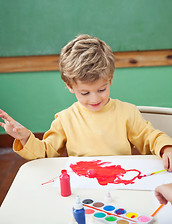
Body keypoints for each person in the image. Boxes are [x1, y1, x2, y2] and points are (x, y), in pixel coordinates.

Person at [0, 34, 172, 171]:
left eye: (101, 90)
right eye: (85, 93)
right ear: (70, 86)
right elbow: (46, 152)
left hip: (121, 179)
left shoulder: (127, 112)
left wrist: (166, 148)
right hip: (83, 185)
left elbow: (150, 137)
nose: (95, 99)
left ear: (110, 79)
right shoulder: (65, 119)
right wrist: (26, 138)